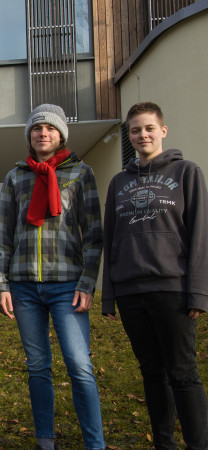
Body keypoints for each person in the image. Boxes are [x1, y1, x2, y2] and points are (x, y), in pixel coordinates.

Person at [0, 104, 106, 450]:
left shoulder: (80, 173)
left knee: (79, 365)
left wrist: (87, 283)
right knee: (38, 366)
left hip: (67, 287)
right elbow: (3, 235)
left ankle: (94, 443)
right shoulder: (16, 176)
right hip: (24, 287)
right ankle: (45, 440)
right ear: (30, 136)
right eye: (37, 128)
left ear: (61, 136)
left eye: (50, 129)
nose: (43, 133)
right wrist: (3, 285)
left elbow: (94, 235)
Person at [101, 102, 208, 449]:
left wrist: (198, 293)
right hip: (132, 293)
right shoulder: (118, 183)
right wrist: (110, 295)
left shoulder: (187, 173)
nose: (142, 135)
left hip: (172, 290)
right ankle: (164, 443)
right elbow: (111, 237)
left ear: (162, 131)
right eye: (135, 130)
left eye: (148, 128)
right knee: (151, 373)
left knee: (183, 373)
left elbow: (200, 237)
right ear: (129, 137)